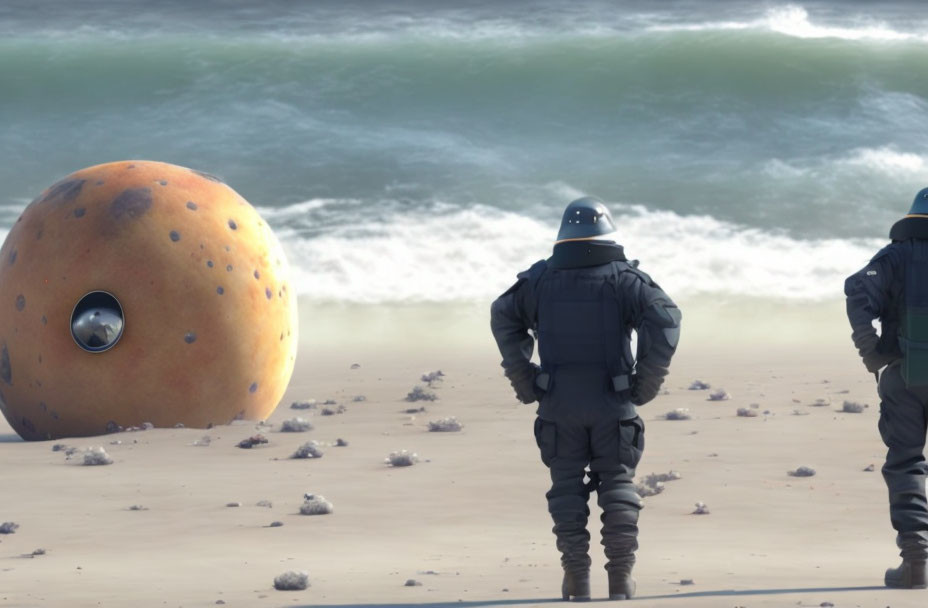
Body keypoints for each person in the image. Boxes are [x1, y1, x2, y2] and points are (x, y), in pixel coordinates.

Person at [490, 196, 680, 601]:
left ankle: (576, 577)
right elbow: (666, 318)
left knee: (565, 489)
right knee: (617, 484)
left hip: (558, 403)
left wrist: (524, 378)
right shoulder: (625, 279)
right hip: (614, 403)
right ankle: (621, 579)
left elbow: (502, 314)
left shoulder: (539, 280)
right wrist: (646, 382)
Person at [845, 187, 928, 590]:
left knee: (906, 462)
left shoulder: (894, 256)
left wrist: (871, 354)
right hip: (904, 371)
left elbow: (858, 294)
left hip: (905, 374)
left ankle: (915, 562)